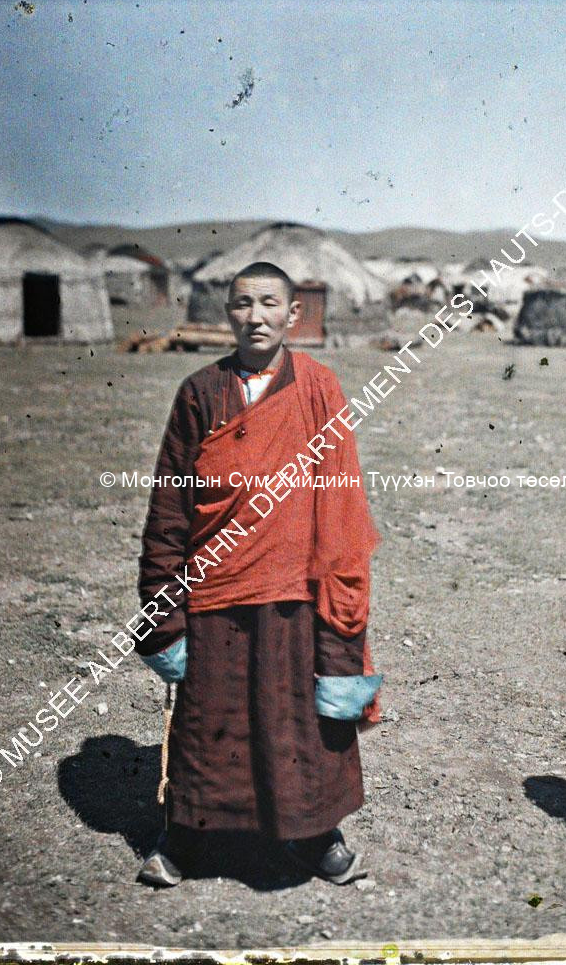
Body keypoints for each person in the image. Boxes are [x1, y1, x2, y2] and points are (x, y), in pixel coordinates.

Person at [135, 261, 381, 887]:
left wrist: (340, 593)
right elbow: (171, 505)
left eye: (270, 303)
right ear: (228, 313)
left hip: (295, 587)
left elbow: (342, 498)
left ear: (292, 314)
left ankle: (316, 834)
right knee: (208, 719)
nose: (256, 317)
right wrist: (162, 608)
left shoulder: (321, 388)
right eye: (243, 304)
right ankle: (189, 838)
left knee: (296, 718)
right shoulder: (199, 392)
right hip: (214, 585)